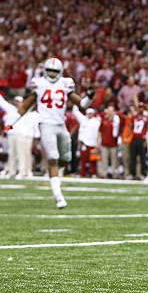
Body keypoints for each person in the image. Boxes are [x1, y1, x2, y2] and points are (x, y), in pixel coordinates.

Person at [18, 58, 93, 208]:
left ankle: (55, 177)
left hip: (61, 125)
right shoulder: (38, 83)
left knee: (66, 158)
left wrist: (90, 96)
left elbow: (83, 104)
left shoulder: (66, 83)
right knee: (53, 157)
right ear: (45, 71)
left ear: (60, 72)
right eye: (50, 71)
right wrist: (22, 107)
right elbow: (23, 108)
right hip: (46, 125)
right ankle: (59, 197)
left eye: (55, 71)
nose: (52, 74)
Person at [72, 106, 101, 177]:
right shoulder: (83, 119)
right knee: (83, 160)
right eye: (88, 113)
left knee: (93, 160)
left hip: (93, 144)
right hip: (84, 143)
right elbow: (75, 112)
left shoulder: (96, 121)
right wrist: (76, 102)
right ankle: (82, 173)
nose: (89, 115)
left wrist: (98, 143)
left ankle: (93, 173)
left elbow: (99, 133)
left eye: (91, 113)